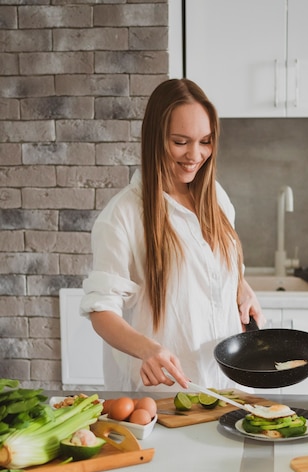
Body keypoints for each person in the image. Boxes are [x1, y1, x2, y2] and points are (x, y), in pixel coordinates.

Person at [80, 78, 265, 392]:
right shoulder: (122, 216)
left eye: (205, 141)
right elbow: (101, 310)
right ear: (155, 139)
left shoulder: (216, 198)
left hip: (227, 387)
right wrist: (147, 349)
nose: (195, 154)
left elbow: (217, 266)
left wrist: (241, 287)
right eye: (180, 141)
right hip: (165, 396)